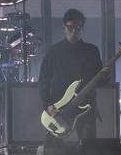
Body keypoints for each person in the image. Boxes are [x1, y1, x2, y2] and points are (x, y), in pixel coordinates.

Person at [38, 8, 104, 141]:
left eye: (78, 27)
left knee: (89, 152)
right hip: (58, 111)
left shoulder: (92, 51)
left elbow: (100, 81)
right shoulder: (53, 52)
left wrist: (106, 75)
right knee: (53, 154)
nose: (74, 31)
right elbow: (43, 81)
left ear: (83, 29)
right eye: (71, 27)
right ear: (64, 27)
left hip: (86, 109)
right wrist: (47, 105)